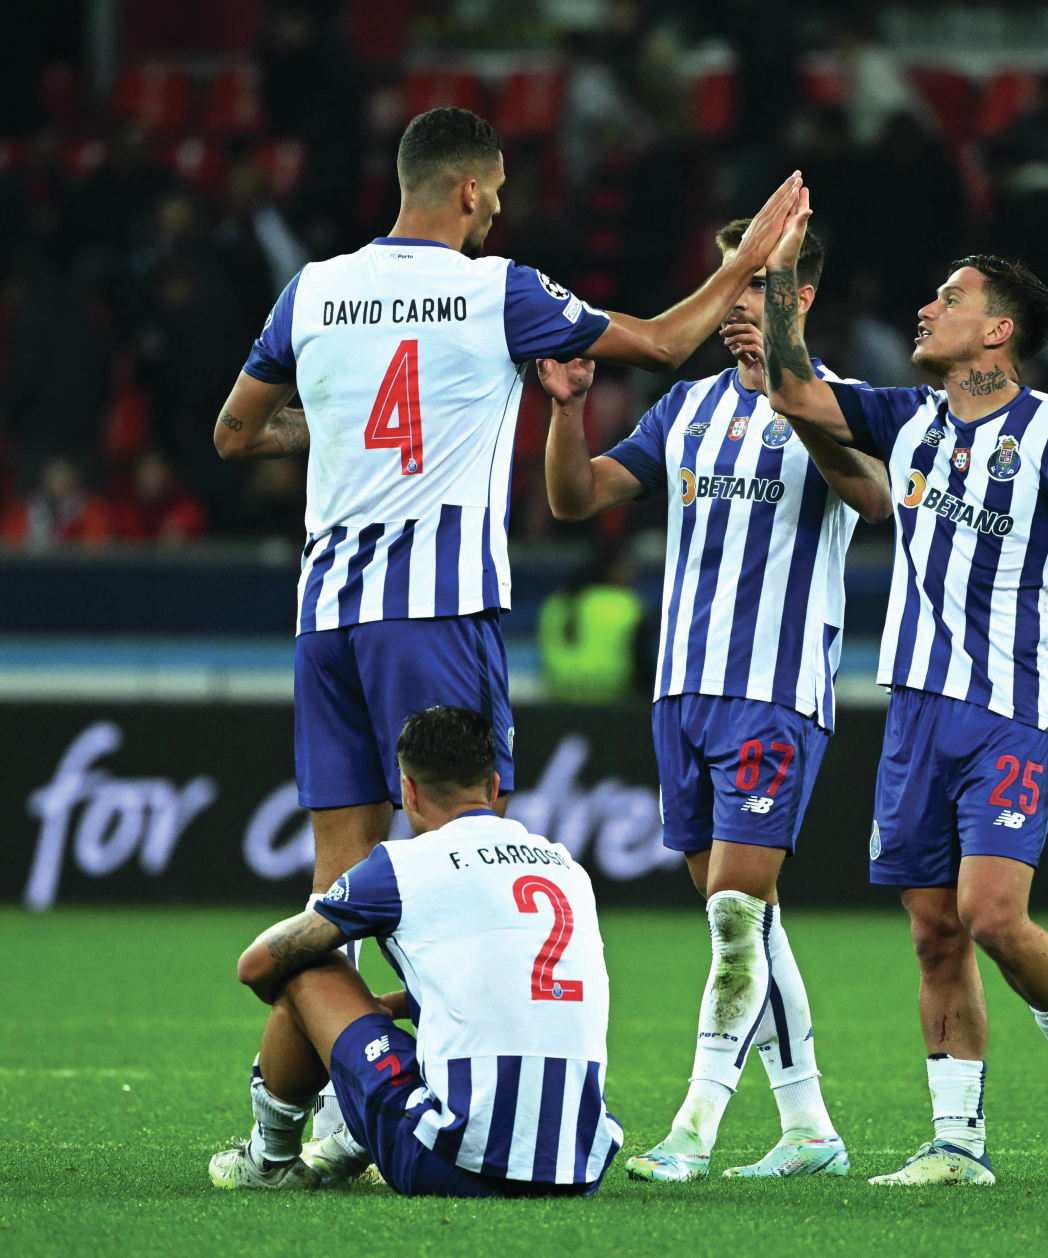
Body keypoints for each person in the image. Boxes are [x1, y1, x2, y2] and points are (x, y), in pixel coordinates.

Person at [209, 105, 801, 1173]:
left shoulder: (313, 288)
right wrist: (750, 261)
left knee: (334, 887)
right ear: (474, 191)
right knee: (473, 858)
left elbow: (235, 432)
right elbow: (666, 342)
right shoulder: (498, 288)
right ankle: (380, 1105)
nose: (503, 210)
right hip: (432, 611)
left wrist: (333, 429)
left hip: (325, 616)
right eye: (501, 195)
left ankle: (276, 1130)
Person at [757, 192, 1048, 1185]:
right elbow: (795, 392)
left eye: (950, 297)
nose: (928, 308)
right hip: (916, 710)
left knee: (994, 915)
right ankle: (957, 1141)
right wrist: (782, 275)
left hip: (1010, 707)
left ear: (997, 330)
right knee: (934, 933)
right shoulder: (907, 419)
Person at [543, 215, 892, 1182]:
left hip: (775, 692)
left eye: (756, 287)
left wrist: (799, 404)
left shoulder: (846, 403)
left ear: (800, 298)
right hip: (680, 693)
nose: (734, 305)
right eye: (729, 284)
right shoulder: (687, 407)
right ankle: (810, 1128)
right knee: (745, 918)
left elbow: (875, 504)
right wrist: (568, 409)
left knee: (737, 914)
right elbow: (578, 500)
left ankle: (693, 1129)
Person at [208, 705, 623, 1196]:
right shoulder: (567, 867)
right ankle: (357, 1135)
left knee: (308, 966)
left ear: (407, 792)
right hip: (576, 1166)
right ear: (493, 786)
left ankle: (269, 1160)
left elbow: (255, 966)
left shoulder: (400, 867)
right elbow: (520, 981)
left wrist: (327, 1023)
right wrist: (394, 1007)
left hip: (451, 1165)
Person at [538, 543, 648, 705]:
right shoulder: (627, 605)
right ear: (612, 570)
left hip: (559, 700)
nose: (633, 574)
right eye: (628, 567)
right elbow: (643, 665)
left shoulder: (553, 603)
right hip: (614, 703)